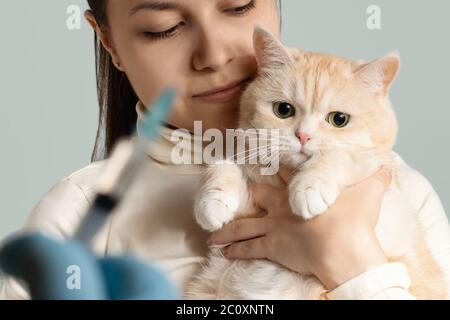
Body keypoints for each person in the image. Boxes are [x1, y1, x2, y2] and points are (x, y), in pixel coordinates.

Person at [1, 0, 449, 299]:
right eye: (165, 28)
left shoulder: (396, 187)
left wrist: (354, 262)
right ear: (110, 42)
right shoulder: (75, 217)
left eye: (237, 5)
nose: (213, 55)